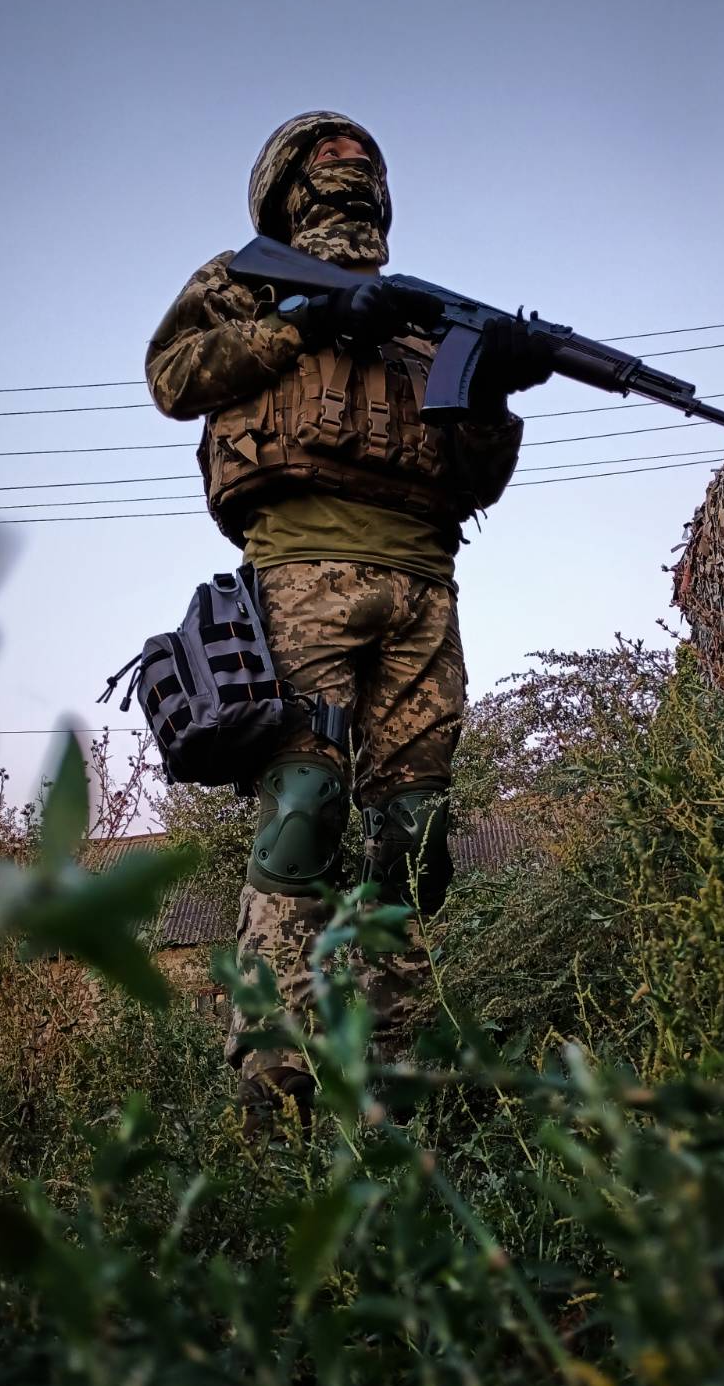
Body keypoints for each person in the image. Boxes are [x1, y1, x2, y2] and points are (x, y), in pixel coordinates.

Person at [145, 111, 553, 1136]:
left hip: (424, 584)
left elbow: (475, 475)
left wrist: (497, 388)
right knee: (304, 811)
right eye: (329, 171)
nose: (353, 184)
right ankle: (279, 1093)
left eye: (365, 173)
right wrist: (305, 325)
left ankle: (398, 1081)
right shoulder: (248, 279)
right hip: (301, 571)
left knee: (413, 839)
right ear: (286, 188)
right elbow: (172, 377)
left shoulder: (427, 322)